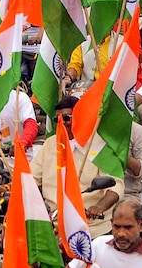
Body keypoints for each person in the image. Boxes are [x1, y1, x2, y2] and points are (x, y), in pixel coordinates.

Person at [30, 97, 123, 228]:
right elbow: (31, 177)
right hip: (53, 221)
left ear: (80, 117)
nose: (61, 123)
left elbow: (115, 186)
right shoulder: (51, 143)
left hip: (90, 224)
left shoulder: (99, 144)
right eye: (57, 119)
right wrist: (8, 188)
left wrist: (98, 207)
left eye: (67, 118)